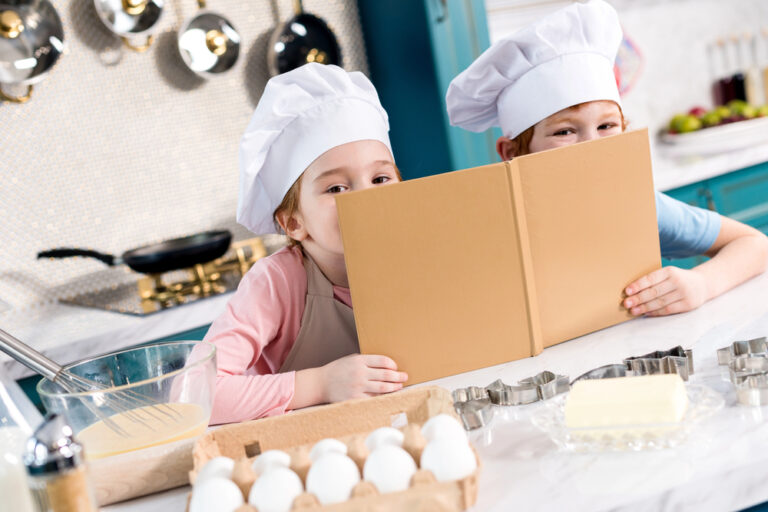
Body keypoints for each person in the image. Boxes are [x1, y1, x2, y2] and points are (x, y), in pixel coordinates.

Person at [446, 0, 768, 317]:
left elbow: (756, 245)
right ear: (512, 152)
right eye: (565, 132)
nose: (591, 146)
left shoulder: (638, 206)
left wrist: (702, 283)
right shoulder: (489, 231)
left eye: (606, 126)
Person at [204, 63, 407, 424]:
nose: (364, 199)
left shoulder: (424, 251)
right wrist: (321, 384)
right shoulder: (277, 283)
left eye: (380, 178)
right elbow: (198, 393)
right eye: (336, 188)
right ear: (293, 222)